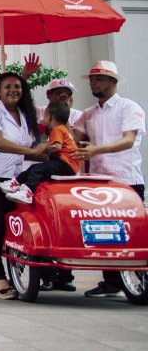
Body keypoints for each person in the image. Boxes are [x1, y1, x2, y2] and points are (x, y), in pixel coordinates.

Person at [0, 72, 55, 300]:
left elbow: (34, 147)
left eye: (17, 86)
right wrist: (32, 152)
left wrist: (54, 154)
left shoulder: (25, 114)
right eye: (7, 87)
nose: (13, 90)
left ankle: (6, 271)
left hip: (13, 177)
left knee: (13, 224)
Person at [73, 61, 146, 298]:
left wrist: (96, 150)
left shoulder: (129, 107)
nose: (94, 82)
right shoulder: (88, 113)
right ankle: (111, 281)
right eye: (92, 79)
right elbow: (73, 138)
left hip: (126, 179)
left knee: (132, 233)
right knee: (105, 233)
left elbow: (128, 140)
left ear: (113, 82)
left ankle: (140, 280)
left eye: (100, 78)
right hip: (99, 182)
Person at [0, 101, 80, 203]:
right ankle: (15, 183)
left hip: (65, 163)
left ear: (50, 117)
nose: (43, 117)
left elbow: (57, 147)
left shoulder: (57, 130)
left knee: (38, 170)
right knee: (34, 168)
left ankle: (28, 192)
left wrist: (43, 148)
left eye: (45, 115)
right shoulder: (62, 129)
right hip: (68, 165)